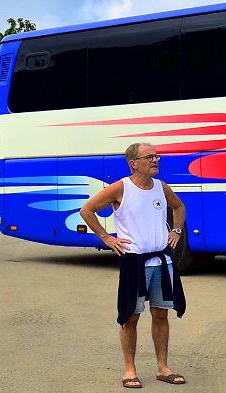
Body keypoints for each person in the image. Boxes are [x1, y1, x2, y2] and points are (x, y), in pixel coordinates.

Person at [79, 142, 187, 389]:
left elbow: (179, 207)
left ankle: (163, 368)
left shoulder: (161, 187)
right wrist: (107, 238)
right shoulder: (121, 188)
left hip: (162, 260)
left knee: (161, 314)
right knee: (130, 317)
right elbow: (87, 210)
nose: (155, 159)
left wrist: (177, 231)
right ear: (133, 163)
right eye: (149, 156)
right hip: (134, 262)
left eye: (156, 156)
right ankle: (130, 370)